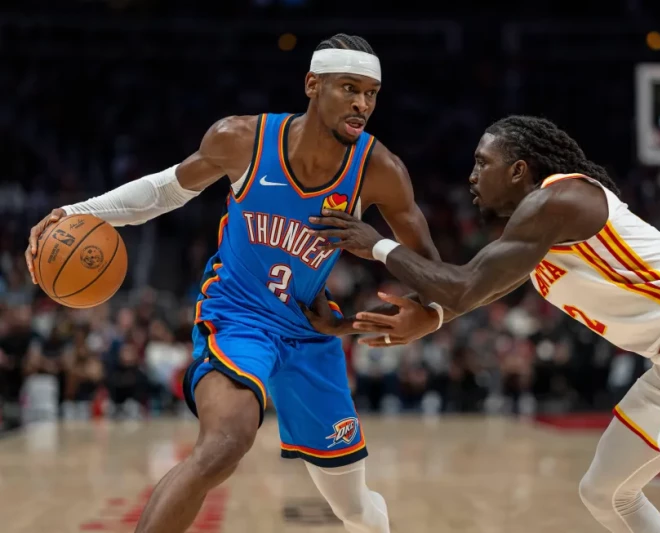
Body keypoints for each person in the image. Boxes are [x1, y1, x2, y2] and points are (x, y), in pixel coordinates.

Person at [24, 34, 446, 533]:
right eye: (349, 88)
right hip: (238, 315)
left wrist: (429, 313)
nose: (362, 104)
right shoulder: (243, 139)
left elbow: (430, 270)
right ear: (312, 84)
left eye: (371, 93)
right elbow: (163, 190)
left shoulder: (380, 171)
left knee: (353, 507)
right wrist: (76, 211)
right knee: (226, 441)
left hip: (311, 330)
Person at [305, 115, 660, 533]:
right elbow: (465, 294)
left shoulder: (560, 199)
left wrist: (378, 247)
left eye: (482, 163)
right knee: (603, 491)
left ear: (519, 170)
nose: (471, 176)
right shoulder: (533, 237)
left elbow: (463, 287)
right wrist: (365, 324)